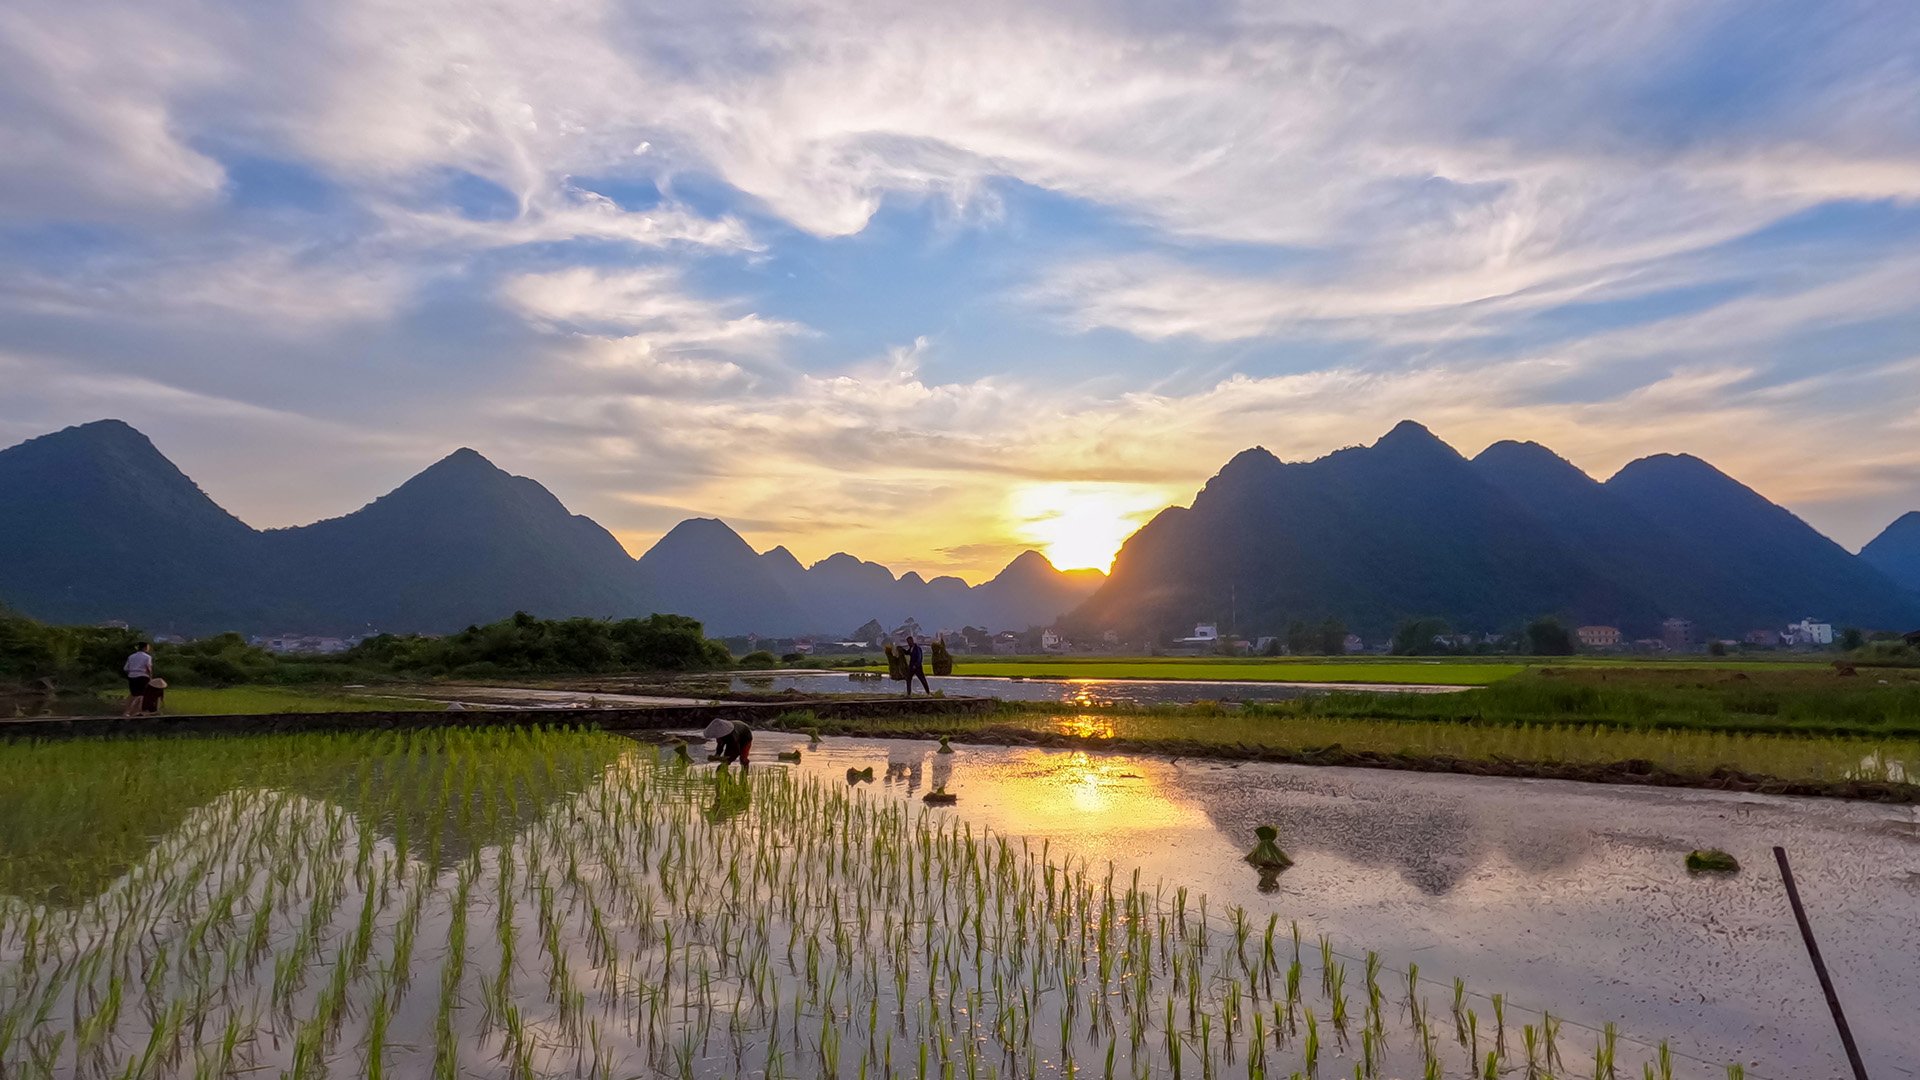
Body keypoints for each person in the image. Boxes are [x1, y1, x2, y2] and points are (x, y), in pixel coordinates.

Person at [122, 642, 154, 718]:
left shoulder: (131, 656)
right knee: (141, 695)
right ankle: (131, 711)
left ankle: (129, 711)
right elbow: (148, 668)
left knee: (133, 694)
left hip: (132, 676)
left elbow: (126, 668)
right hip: (143, 676)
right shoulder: (147, 657)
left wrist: (131, 674)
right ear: (144, 648)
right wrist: (150, 677)